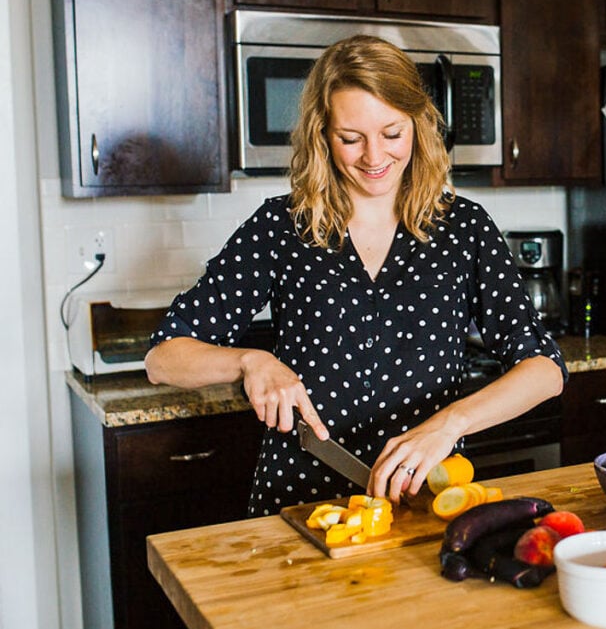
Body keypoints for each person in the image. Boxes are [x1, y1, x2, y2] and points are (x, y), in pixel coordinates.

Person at [145, 35, 567, 516]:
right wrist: (249, 361)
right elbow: (163, 358)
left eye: (392, 134)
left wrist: (450, 424)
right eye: (351, 138)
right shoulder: (282, 227)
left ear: (419, 125)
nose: (373, 157)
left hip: (423, 501)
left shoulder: (463, 229)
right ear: (322, 134)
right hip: (299, 507)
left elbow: (545, 369)